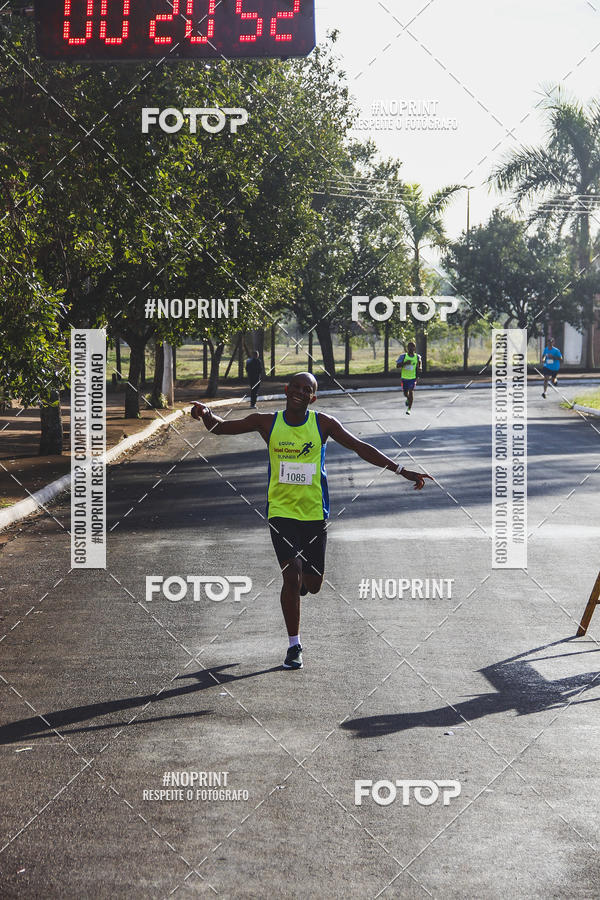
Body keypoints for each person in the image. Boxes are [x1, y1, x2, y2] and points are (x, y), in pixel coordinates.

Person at [191, 373, 433, 670]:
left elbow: (359, 447)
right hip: (280, 511)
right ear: (286, 390)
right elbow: (221, 428)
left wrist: (401, 469)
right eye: (296, 387)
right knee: (291, 576)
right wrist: (205, 413)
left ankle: (303, 584)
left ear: (313, 397)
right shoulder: (267, 422)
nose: (300, 392)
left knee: (313, 584)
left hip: (315, 513)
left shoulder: (323, 424)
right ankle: (294, 646)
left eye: (307, 390)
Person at [396, 342, 422, 414]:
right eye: (409, 347)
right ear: (407, 348)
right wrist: (405, 363)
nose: (411, 348)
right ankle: (408, 398)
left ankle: (409, 409)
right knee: (405, 393)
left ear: (414, 348)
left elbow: (420, 365)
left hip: (413, 378)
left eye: (412, 347)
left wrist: (419, 368)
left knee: (411, 391)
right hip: (404, 378)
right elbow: (397, 366)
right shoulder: (403, 356)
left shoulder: (417, 357)